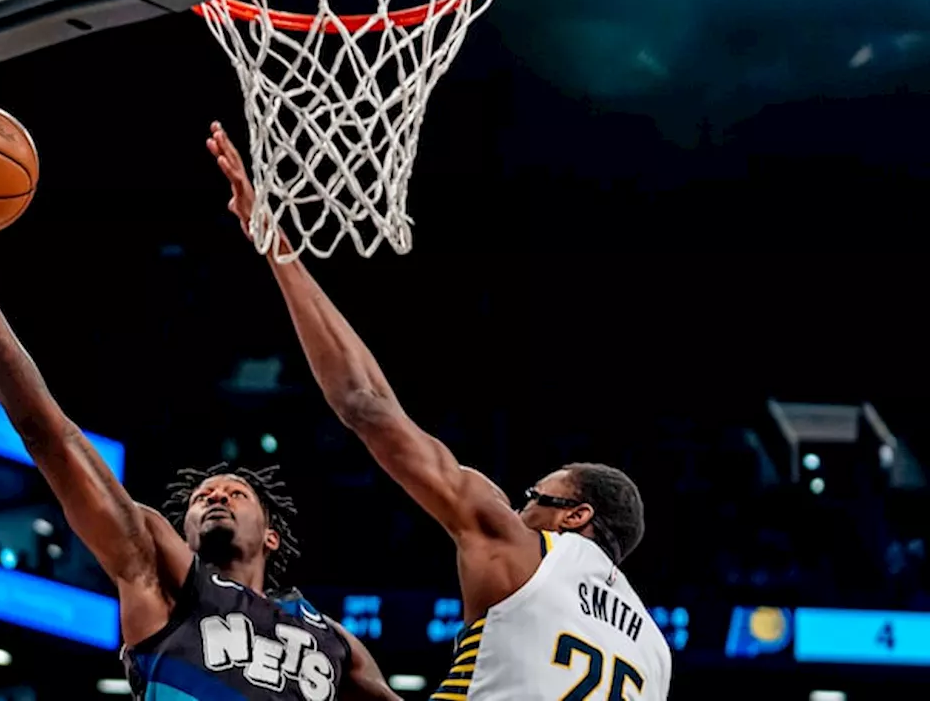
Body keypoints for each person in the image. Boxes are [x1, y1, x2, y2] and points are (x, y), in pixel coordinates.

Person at [0, 164, 399, 701]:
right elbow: (49, 434)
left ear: (271, 535)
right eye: (204, 496)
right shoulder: (158, 572)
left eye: (235, 493)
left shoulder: (334, 642)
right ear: (185, 533)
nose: (216, 496)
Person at [206, 123, 672, 700]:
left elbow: (365, 405)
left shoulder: (518, 547)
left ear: (573, 515)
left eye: (533, 497)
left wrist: (272, 240)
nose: (517, 506)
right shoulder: (656, 653)